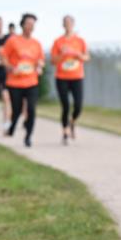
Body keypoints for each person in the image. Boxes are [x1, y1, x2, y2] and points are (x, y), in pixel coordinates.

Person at [1, 13, 44, 147]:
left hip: (31, 81)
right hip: (15, 82)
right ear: (22, 25)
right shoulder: (13, 41)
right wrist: (10, 67)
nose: (31, 27)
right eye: (28, 24)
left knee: (31, 109)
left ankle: (28, 137)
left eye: (33, 24)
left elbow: (40, 60)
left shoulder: (36, 43)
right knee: (17, 110)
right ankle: (12, 126)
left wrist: (40, 67)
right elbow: (3, 57)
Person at [50, 15, 89, 145]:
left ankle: (72, 121)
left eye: (69, 22)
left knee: (78, 105)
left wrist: (77, 54)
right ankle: (65, 131)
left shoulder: (80, 41)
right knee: (65, 105)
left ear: (73, 24)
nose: (67, 25)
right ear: (63, 25)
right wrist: (62, 54)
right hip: (62, 77)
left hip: (77, 76)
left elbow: (86, 57)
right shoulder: (58, 42)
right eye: (65, 22)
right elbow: (53, 61)